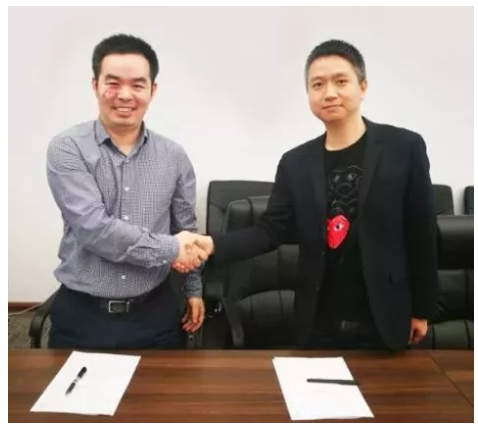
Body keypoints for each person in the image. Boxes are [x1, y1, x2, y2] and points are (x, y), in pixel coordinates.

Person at [182, 39, 439, 351]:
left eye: (340, 81)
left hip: (385, 316)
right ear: (309, 95)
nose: (329, 93)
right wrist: (212, 244)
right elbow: (271, 230)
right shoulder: (296, 162)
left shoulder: (403, 148)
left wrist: (422, 309)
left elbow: (422, 232)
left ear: (362, 86)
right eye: (318, 84)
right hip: (317, 319)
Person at [46, 34, 206, 349]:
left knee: (163, 384)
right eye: (113, 83)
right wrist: (171, 249)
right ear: (95, 85)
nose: (124, 95)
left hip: (155, 314)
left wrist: (193, 289)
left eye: (137, 85)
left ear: (152, 90)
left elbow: (185, 227)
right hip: (83, 317)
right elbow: (94, 229)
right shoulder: (67, 148)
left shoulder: (174, 156)